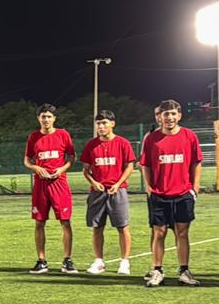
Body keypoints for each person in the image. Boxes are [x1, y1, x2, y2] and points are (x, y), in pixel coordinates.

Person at [139, 99, 203, 287]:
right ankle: (157, 270)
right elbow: (146, 165)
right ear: (160, 117)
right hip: (159, 194)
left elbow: (196, 163)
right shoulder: (151, 139)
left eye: (173, 113)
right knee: (159, 232)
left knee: (182, 233)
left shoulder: (189, 136)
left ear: (179, 115)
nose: (170, 117)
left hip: (183, 193)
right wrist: (149, 188)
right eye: (166, 114)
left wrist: (195, 188)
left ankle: (184, 271)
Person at [79, 110, 136, 275]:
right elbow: (86, 170)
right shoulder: (91, 145)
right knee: (97, 227)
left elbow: (130, 167)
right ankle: (99, 261)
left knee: (122, 227)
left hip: (117, 191)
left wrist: (118, 184)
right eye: (98, 123)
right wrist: (94, 182)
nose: (101, 126)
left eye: (104, 123)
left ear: (112, 123)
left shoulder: (123, 143)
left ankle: (124, 262)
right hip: (97, 192)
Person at [24, 103, 77, 274]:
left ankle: (67, 260)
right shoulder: (33, 137)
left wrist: (61, 169)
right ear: (38, 118)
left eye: (49, 117)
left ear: (54, 118)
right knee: (39, 222)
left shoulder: (63, 135)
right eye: (43, 116)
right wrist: (36, 168)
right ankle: (41, 261)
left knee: (65, 221)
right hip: (40, 185)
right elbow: (27, 160)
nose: (46, 119)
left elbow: (71, 157)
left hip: (59, 183)